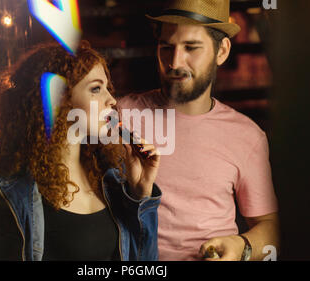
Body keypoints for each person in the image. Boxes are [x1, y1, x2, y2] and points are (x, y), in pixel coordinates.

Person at [0, 41, 162, 261]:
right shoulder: (2, 195)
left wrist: (141, 194)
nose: (112, 100)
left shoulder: (112, 182)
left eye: (107, 87)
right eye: (96, 89)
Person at [117, 0, 280, 261]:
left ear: (222, 51)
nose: (174, 62)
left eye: (191, 47)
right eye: (166, 47)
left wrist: (241, 247)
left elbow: (270, 227)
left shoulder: (247, 135)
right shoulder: (122, 116)